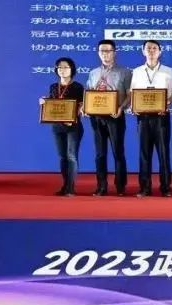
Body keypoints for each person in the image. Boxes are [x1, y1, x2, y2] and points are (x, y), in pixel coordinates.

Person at [129, 40, 172, 197]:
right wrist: (133, 106)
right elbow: (132, 94)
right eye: (148, 48)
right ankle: (145, 187)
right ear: (143, 51)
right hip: (143, 117)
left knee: (163, 152)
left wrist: (166, 103)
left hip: (161, 117)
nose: (151, 50)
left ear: (160, 51)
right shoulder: (136, 71)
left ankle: (166, 187)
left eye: (154, 48)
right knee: (144, 153)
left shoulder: (167, 71)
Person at [84, 39, 131, 196]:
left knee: (118, 152)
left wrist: (121, 108)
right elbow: (89, 93)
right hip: (97, 117)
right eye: (102, 51)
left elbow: (130, 95)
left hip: (115, 116)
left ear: (114, 53)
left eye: (108, 51)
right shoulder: (93, 73)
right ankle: (101, 186)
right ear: (98, 53)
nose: (105, 54)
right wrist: (86, 107)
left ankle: (120, 187)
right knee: (100, 154)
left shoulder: (124, 72)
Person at [39, 57, 85, 196]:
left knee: (71, 156)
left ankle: (70, 188)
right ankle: (65, 185)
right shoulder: (54, 86)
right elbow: (53, 104)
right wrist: (44, 102)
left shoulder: (78, 87)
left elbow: (82, 105)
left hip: (73, 126)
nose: (62, 70)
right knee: (62, 157)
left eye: (65, 67)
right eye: (59, 67)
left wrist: (74, 116)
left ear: (72, 69)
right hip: (57, 127)